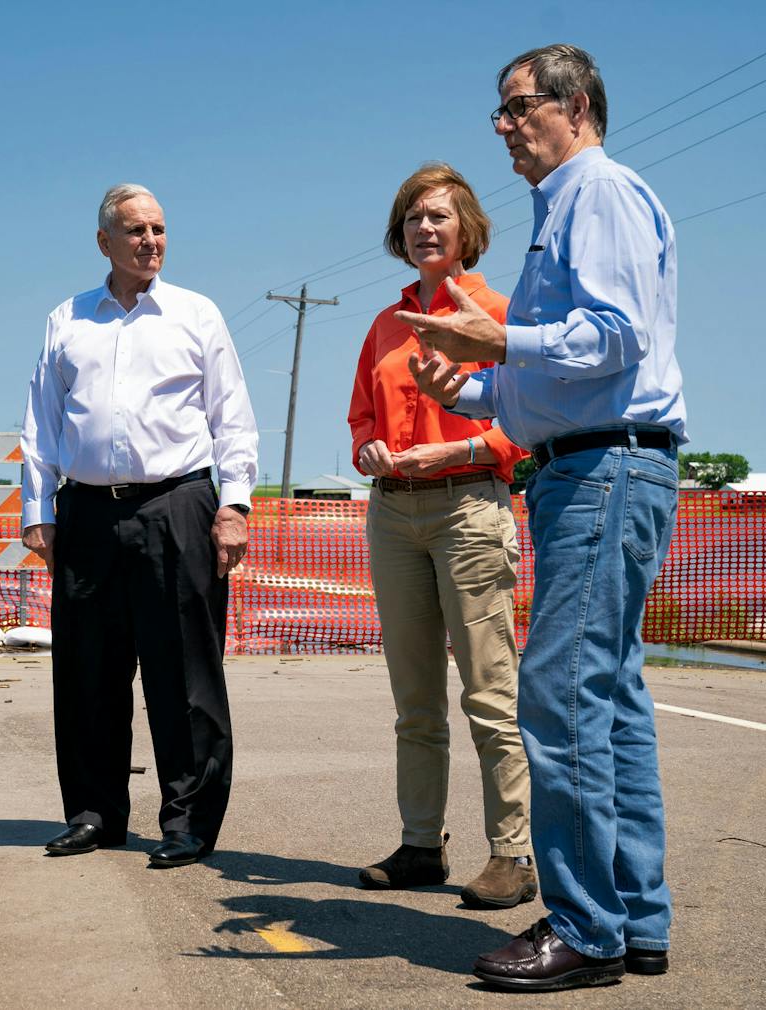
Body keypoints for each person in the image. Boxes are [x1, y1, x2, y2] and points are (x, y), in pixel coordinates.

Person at [402, 44, 687, 991]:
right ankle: (633, 919)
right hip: (595, 464)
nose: (502, 124)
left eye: (516, 105)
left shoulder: (595, 192)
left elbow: (615, 335)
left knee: (559, 698)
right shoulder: (559, 209)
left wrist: (498, 335)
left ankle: (585, 926)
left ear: (574, 106)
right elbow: (552, 378)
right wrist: (478, 386)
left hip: (605, 468)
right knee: (608, 706)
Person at [20, 183, 258, 869]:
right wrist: (38, 511)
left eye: (158, 230)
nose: (150, 242)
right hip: (88, 512)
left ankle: (188, 821)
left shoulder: (196, 315)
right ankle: (95, 814)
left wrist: (234, 506)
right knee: (88, 671)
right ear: (104, 242)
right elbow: (42, 422)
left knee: (182, 672)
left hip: (177, 505)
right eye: (135, 231)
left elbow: (232, 419)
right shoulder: (68, 319)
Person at [348, 163, 535, 909]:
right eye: (414, 218)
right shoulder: (384, 325)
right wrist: (368, 449)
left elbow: (523, 425)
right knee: (415, 698)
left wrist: (454, 452)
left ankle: (513, 855)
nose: (426, 229)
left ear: (467, 230)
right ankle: (421, 845)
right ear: (401, 233)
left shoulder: (494, 314)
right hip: (393, 512)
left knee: (489, 693)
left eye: (439, 217)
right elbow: (362, 414)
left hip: (469, 508)